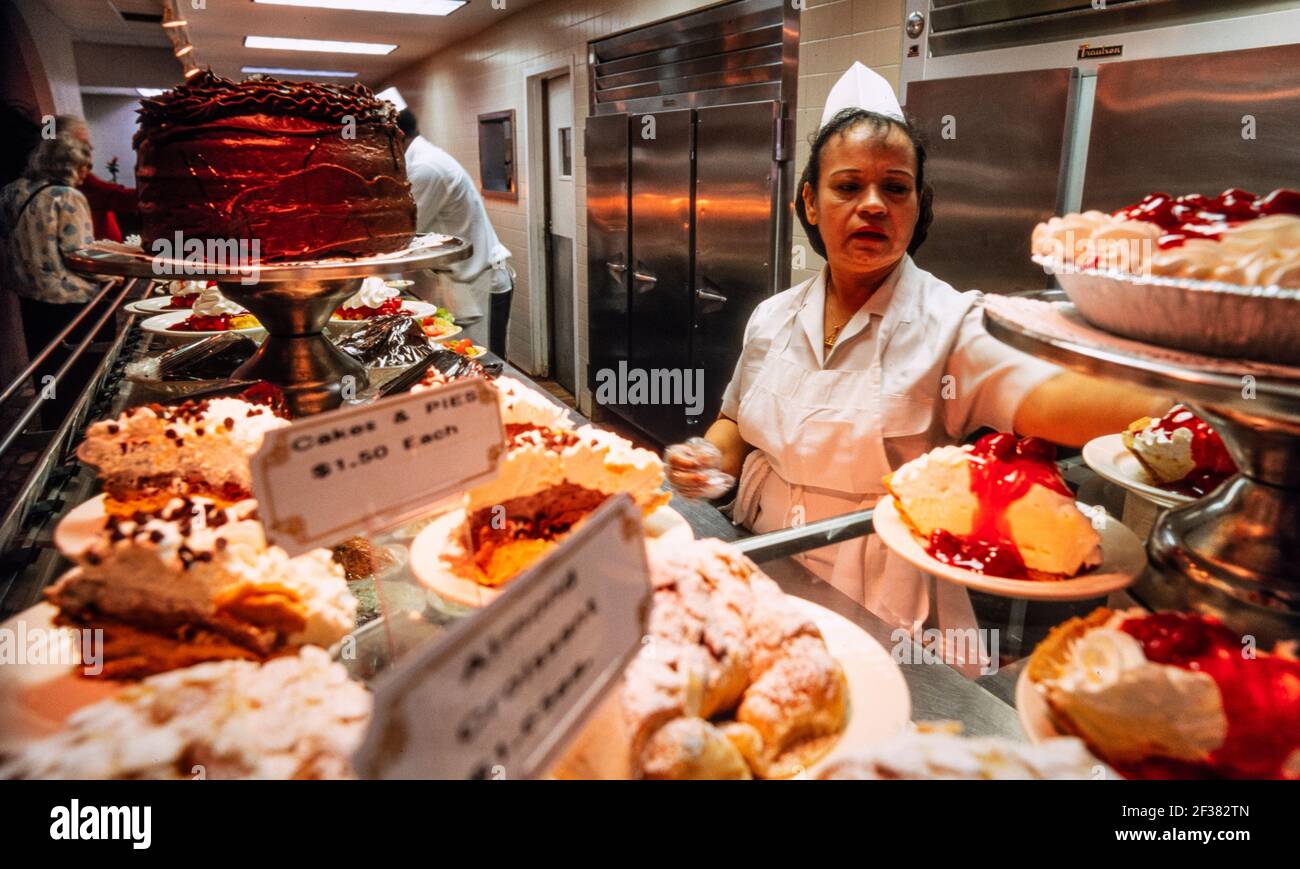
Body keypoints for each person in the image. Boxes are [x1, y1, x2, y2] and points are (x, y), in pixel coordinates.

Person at [666, 64, 1168, 642]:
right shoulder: (774, 316)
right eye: (848, 186)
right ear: (809, 201)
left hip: (881, 599)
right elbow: (736, 421)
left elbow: (1065, 401)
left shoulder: (950, 323)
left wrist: (1211, 385)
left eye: (895, 188)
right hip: (762, 560)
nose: (873, 205)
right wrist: (709, 456)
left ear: (918, 205)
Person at [0, 114, 101, 428]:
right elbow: (79, 256)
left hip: (30, 297)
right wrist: (116, 269)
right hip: (70, 302)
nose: (87, 173)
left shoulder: (11, 192)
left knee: (46, 369)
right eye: (85, 165)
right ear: (68, 164)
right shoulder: (67, 197)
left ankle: (51, 421)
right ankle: (80, 427)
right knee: (80, 371)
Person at [397, 108, 514, 354]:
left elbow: (403, 234)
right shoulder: (420, 161)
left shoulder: (426, 167)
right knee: (460, 357)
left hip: (480, 282)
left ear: (396, 135)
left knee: (484, 361)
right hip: (461, 282)